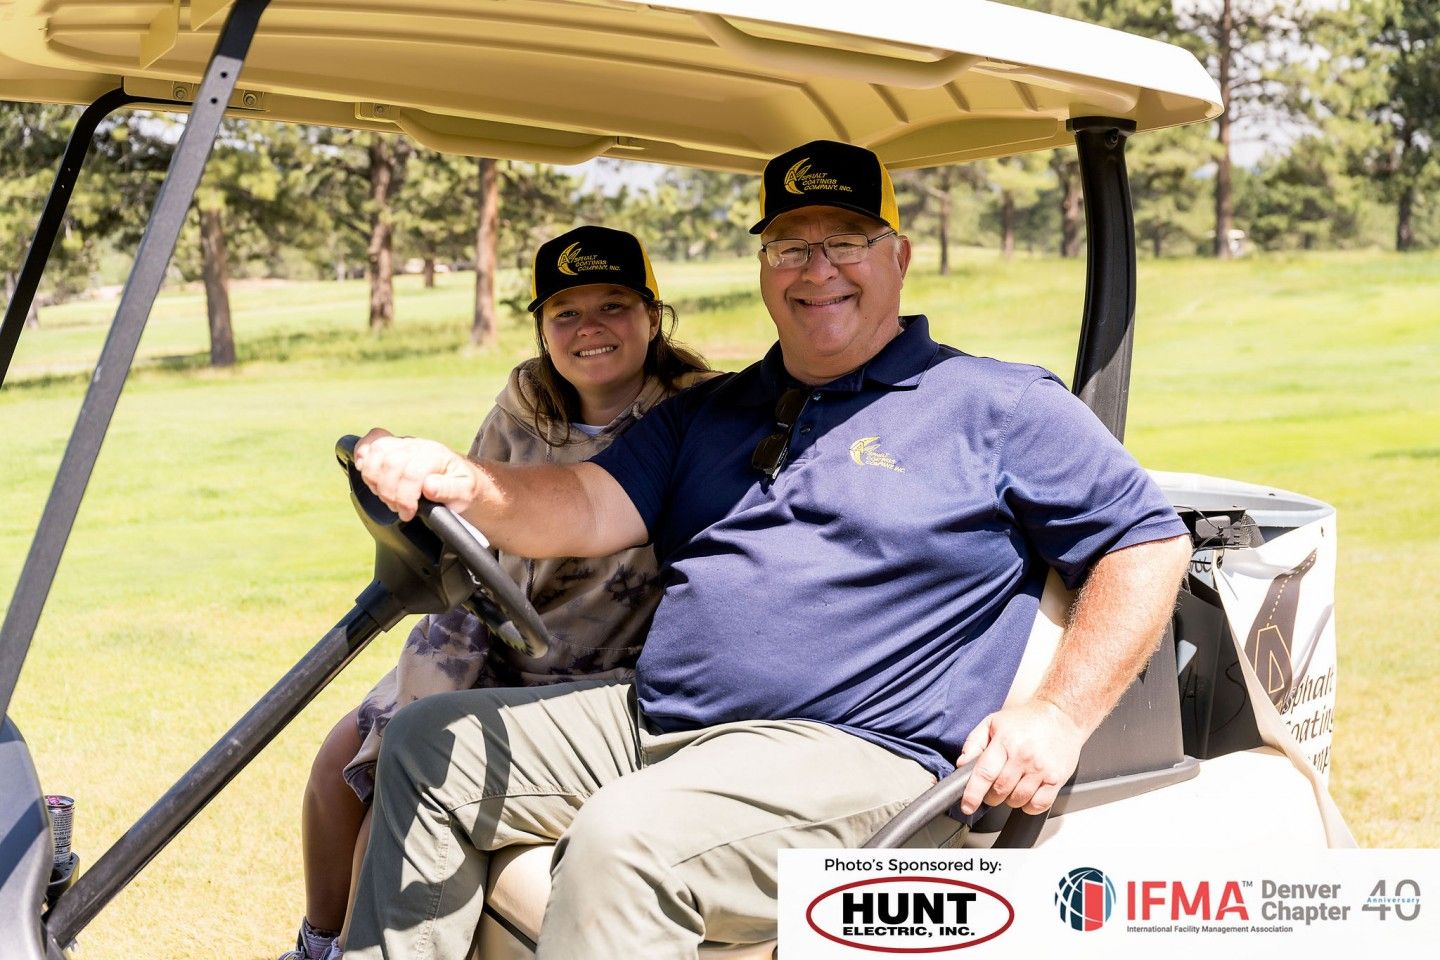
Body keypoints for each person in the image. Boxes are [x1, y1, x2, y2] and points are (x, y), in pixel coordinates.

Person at [344, 140, 1195, 959]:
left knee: (625, 841)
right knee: (425, 746)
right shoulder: (713, 410)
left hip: (859, 755)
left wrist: (1057, 715)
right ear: (763, 268)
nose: (817, 269)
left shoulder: (994, 403)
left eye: (847, 242)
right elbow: (578, 506)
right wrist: (460, 479)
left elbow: (1147, 542)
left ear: (898, 258)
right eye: (789, 245)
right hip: (658, 721)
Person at [280, 225, 712, 960]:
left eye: (614, 305)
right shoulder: (526, 403)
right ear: (543, 328)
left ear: (652, 315)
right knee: (336, 766)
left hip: (606, 667)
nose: (590, 330)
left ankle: (361, 940)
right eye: (565, 313)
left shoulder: (695, 416)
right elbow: (477, 517)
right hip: (499, 633)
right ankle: (317, 946)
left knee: (398, 786)